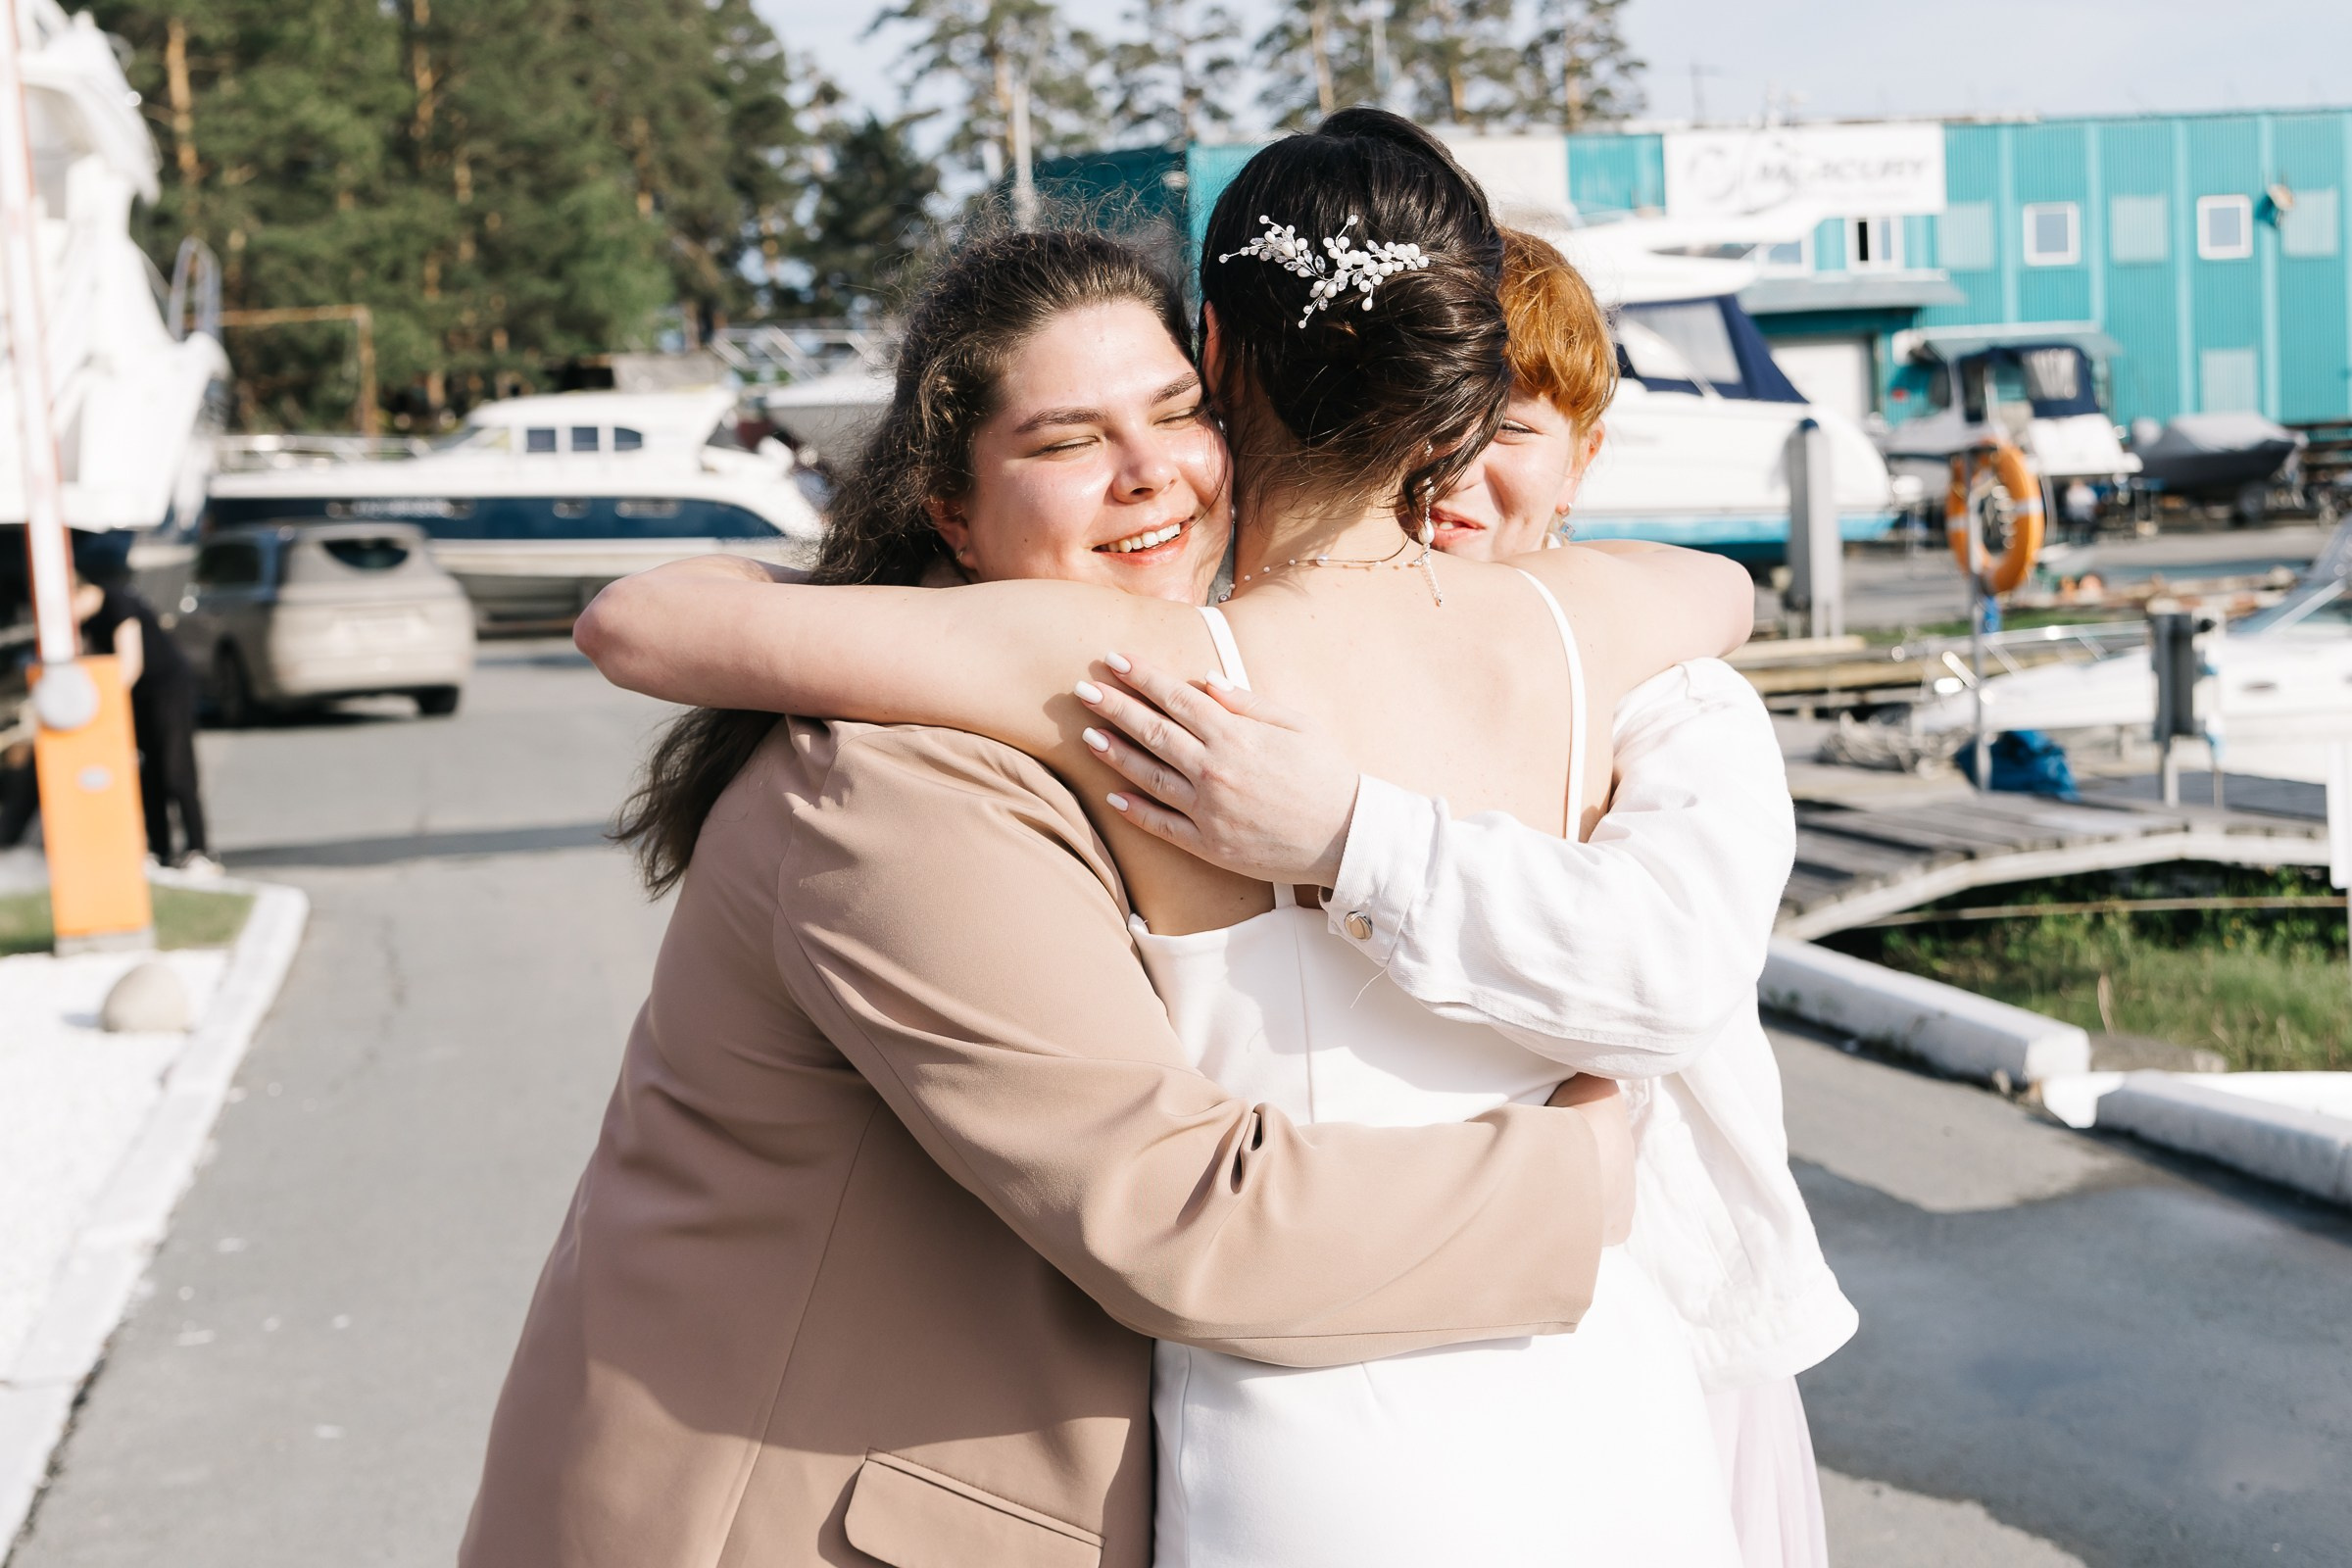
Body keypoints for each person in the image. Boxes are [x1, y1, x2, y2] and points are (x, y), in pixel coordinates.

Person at [575, 112, 1769, 1563]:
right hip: (1612, 1403)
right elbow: (1727, 590)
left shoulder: (1124, 667)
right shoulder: (1613, 620)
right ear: (1459, 390)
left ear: (1218, 353)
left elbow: (643, 623)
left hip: (1317, 1439)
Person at [1078, 227, 1850, 1567]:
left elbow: (1665, 969)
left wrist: (1348, 836)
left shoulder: (1663, 690)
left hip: (1670, 1332)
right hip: (1324, 1362)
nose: (1460, 466)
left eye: (1522, 429)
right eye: (1440, 415)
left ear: (1588, 462)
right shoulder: (1231, 672)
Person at [73, 573, 217, 874]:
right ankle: (161, 849)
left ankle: (199, 850)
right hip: (137, 698)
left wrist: (102, 708)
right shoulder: (87, 622)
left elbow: (131, 662)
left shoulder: (117, 601)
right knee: (148, 775)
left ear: (80, 592)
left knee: (176, 770)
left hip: (167, 689)